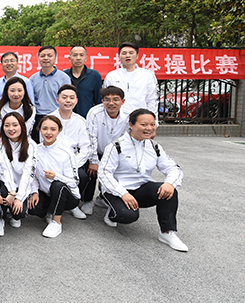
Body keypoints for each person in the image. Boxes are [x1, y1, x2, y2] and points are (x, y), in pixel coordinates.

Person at [100, 109, 187, 252]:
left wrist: (169, 183)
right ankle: (111, 213)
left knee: (170, 192)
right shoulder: (116, 146)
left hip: (142, 188)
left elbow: (173, 168)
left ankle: (167, 232)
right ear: (131, 125)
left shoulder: (154, 146)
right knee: (128, 216)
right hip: (118, 190)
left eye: (152, 124)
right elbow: (104, 174)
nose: (149, 128)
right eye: (144, 124)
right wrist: (123, 194)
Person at [13, 115, 81, 238]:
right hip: (46, 193)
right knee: (32, 207)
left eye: (53, 129)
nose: (48, 132)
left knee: (57, 185)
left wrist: (56, 176)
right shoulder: (35, 149)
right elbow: (32, 175)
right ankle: (50, 211)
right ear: (39, 129)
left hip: (68, 196)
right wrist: (34, 192)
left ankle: (56, 222)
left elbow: (74, 182)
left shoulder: (66, 153)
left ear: (59, 131)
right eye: (44, 128)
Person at [47, 84, 92, 219]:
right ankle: (51, 208)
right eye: (64, 97)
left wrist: (72, 164)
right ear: (57, 100)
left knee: (82, 176)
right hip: (52, 159)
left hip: (73, 160)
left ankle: (72, 205)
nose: (68, 100)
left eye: (71, 98)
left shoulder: (80, 121)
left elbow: (85, 147)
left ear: (76, 101)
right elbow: (44, 143)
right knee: (50, 180)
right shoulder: (49, 119)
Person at [83, 86, 129, 214]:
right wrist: (93, 161)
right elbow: (91, 137)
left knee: (116, 173)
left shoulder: (128, 115)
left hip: (116, 152)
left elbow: (128, 138)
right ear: (102, 101)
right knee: (91, 172)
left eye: (115, 99)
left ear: (123, 101)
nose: (111, 103)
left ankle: (104, 197)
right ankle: (87, 200)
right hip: (97, 149)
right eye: (107, 99)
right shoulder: (94, 112)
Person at [0, 112, 36, 229]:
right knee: (3, 191)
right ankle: (0, 218)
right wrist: (12, 192)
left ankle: (13, 215)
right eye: (7, 125)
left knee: (19, 213)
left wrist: (19, 198)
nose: (11, 129)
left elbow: (28, 173)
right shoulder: (0, 144)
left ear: (22, 126)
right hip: (5, 183)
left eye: (15, 125)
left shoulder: (31, 145)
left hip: (21, 185)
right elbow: (5, 170)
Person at [103, 42, 159, 120]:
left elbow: (152, 100)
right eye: (124, 53)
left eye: (131, 53)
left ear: (137, 56)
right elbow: (106, 99)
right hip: (117, 119)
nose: (127, 55)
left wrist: (153, 120)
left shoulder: (147, 75)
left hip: (140, 118)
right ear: (119, 56)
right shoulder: (111, 76)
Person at [29, 46, 71, 142]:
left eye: (49, 55)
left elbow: (67, 99)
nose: (46, 58)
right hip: (38, 117)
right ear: (38, 58)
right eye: (43, 56)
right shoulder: (32, 78)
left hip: (57, 116)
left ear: (55, 58)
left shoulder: (64, 78)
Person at [64, 46, 102, 118]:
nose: (78, 58)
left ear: (86, 58)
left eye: (81, 55)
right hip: (66, 117)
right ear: (69, 58)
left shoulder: (94, 76)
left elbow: (98, 100)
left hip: (87, 117)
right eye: (75, 55)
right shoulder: (63, 76)